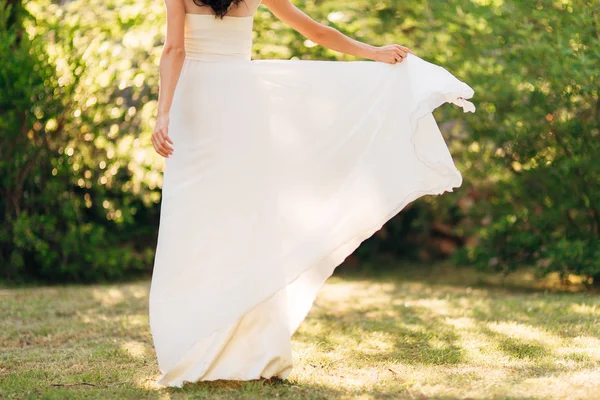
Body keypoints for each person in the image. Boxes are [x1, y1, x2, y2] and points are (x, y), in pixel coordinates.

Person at [148, 0, 475, 388]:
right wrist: (372, 52)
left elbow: (175, 50)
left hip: (196, 101)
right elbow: (315, 31)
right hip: (241, 101)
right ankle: (255, 349)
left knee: (195, 218)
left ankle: (195, 343)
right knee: (249, 217)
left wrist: (163, 112)